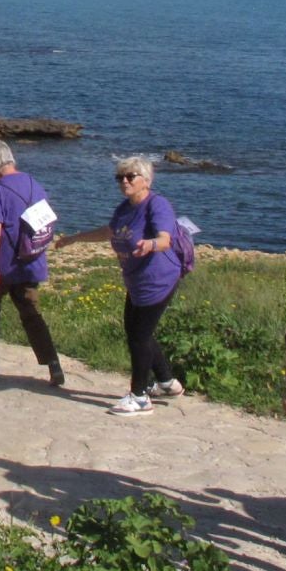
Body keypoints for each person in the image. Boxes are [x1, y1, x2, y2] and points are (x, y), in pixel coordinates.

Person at [94, 156, 187, 414]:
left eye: (130, 176)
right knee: (137, 332)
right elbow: (109, 231)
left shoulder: (157, 205)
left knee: (139, 336)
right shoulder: (125, 208)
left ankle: (139, 396)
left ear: (146, 180)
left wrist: (151, 244)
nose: (124, 181)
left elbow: (165, 239)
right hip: (136, 281)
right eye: (120, 177)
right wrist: (72, 239)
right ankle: (167, 382)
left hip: (158, 279)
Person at [0, 141, 66, 386]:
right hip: (31, 261)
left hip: (4, 263)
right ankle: (53, 364)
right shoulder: (35, 184)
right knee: (32, 315)